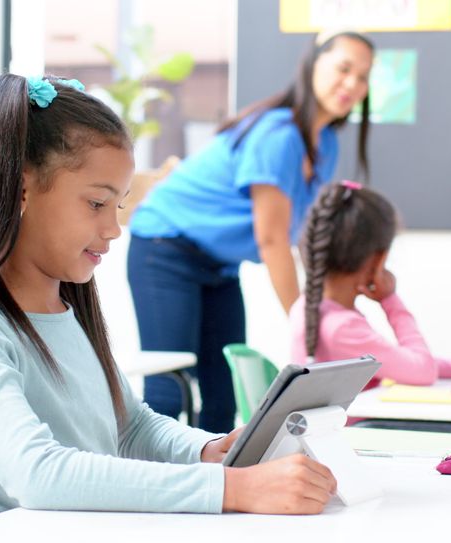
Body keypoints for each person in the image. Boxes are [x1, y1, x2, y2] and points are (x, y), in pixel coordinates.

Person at [0, 74, 337, 516]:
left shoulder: (68, 312)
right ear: (22, 188)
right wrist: (229, 488)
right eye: (96, 204)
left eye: (119, 206)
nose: (113, 230)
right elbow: (37, 475)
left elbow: (132, 430)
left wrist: (210, 449)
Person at [126, 32, 375, 432]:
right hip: (164, 249)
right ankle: (146, 489)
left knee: (224, 394)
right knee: (168, 389)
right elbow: (272, 240)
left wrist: (333, 308)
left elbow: (298, 237)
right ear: (314, 64)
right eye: (344, 68)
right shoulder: (279, 136)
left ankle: (215, 489)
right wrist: (307, 326)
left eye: (363, 77)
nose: (352, 84)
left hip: (218, 265)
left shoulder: (324, 143)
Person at [289, 181, 451, 387]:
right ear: (379, 260)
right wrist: (390, 300)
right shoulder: (342, 328)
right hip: (363, 422)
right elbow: (423, 370)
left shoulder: (308, 308)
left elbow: (401, 362)